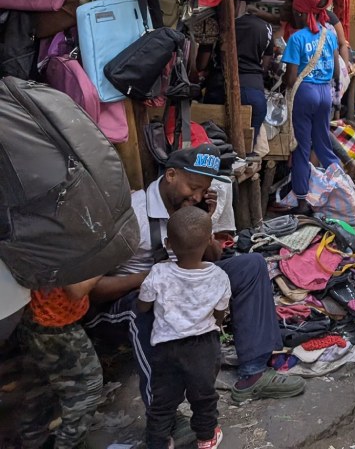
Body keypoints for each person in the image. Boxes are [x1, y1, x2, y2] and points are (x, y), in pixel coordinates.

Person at [86, 144, 304, 441]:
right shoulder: (132, 214)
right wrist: (155, 276)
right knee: (153, 304)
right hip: (119, 308)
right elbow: (94, 290)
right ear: (171, 175)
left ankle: (253, 372)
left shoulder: (193, 206)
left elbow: (211, 260)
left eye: (204, 190)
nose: (198, 196)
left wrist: (206, 222)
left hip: (174, 290)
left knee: (251, 265)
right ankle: (163, 415)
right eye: (194, 187)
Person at [138, 207, 230, 449]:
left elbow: (144, 305)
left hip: (166, 347)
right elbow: (220, 311)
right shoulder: (219, 276)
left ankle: (158, 442)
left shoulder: (159, 272)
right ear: (210, 240)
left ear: (168, 243)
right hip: (203, 346)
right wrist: (217, 323)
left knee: (163, 400)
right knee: (204, 395)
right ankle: (206, 437)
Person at [18, 277, 103, 449]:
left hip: (34, 314)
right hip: (53, 323)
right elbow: (76, 289)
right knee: (86, 391)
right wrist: (111, 256)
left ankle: (35, 441)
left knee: (40, 389)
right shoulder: (52, 249)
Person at [282, 0, 341, 203]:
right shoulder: (329, 35)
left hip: (305, 93)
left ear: (300, 13)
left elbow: (290, 78)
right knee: (323, 144)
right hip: (325, 93)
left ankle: (301, 197)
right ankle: (340, 186)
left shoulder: (297, 38)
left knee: (301, 147)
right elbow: (336, 70)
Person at [200, 12, 275, 148]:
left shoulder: (215, 23)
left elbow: (201, 64)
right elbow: (265, 66)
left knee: (212, 141)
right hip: (253, 91)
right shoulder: (266, 27)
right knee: (248, 146)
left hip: (219, 88)